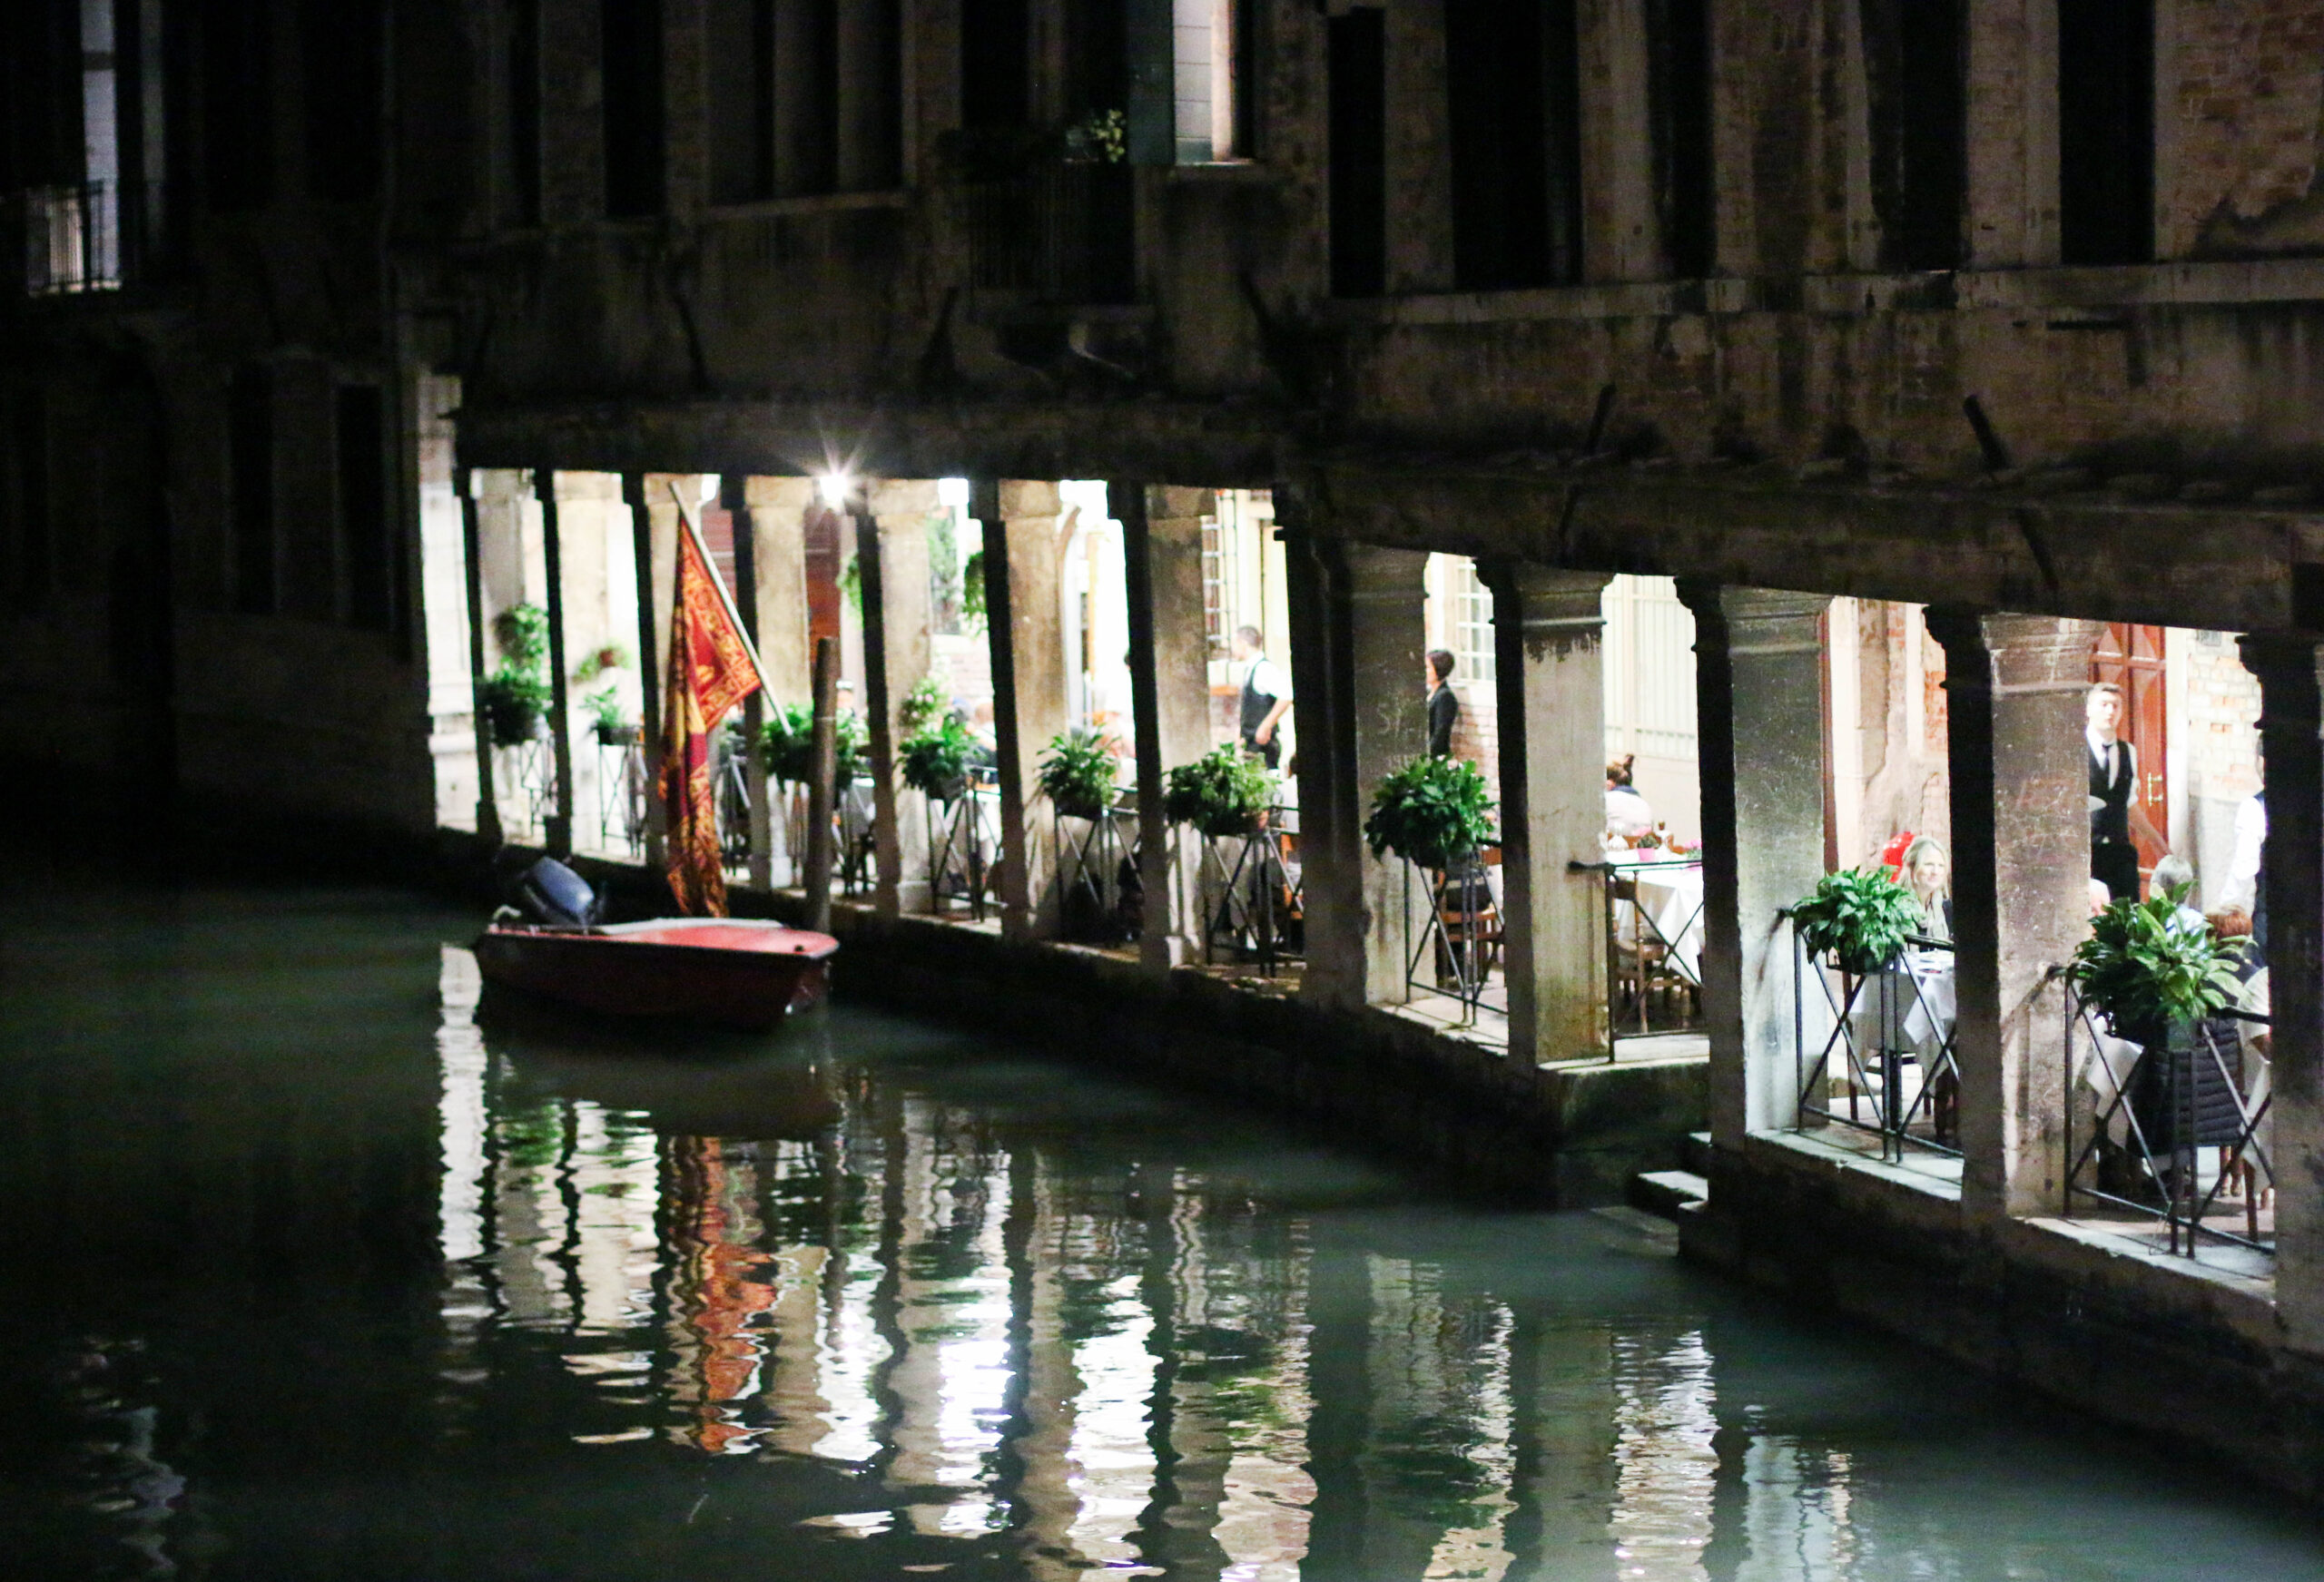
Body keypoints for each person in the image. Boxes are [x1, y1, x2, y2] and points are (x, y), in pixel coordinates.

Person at [2086, 683, 2158, 902]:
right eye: (2104, 704)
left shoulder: (2129, 752)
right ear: (2088, 709)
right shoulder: (2075, 751)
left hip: (2120, 855)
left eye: (2116, 706)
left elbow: (2128, 803)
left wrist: (2159, 845)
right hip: (2087, 855)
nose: (2110, 712)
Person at [1231, 624, 1293, 769]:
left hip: (1263, 745)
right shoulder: (1250, 669)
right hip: (1252, 743)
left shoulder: (1264, 669)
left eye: (1234, 643)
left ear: (1243, 644)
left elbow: (1286, 696)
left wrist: (1265, 726)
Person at [1902, 835, 1952, 941]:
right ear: (1911, 866)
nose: (1935, 872)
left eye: (1941, 866)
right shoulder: (1894, 907)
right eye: (1929, 864)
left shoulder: (1946, 908)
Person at [1605, 756, 1655, 840]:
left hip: (1613, 849)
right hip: (1639, 851)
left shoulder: (1606, 800)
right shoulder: (1644, 804)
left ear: (1608, 783)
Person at [1425, 649, 1461, 757]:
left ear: (1438, 669)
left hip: (1436, 756)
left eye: (1427, 667)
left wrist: (1426, 755)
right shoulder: (1429, 692)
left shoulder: (1445, 697)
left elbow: (1440, 732)